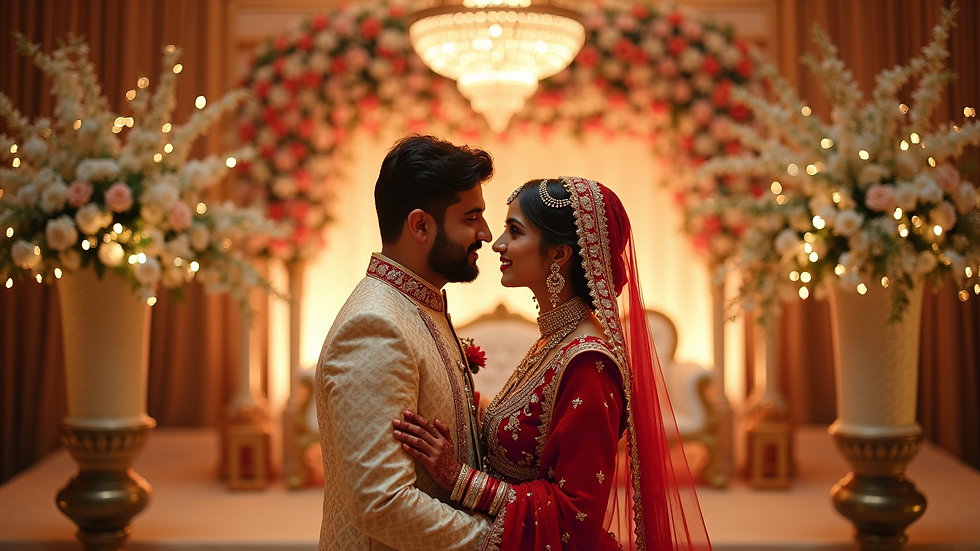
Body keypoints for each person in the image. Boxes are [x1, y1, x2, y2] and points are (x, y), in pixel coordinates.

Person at [394, 176, 712, 550]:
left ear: (559, 254)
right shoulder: (554, 339)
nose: (497, 245)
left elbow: (573, 517)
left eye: (514, 231)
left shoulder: (588, 364)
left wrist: (458, 477)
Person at [314, 134, 496, 550]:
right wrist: (499, 541)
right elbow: (383, 503)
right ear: (420, 225)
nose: (486, 233)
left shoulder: (416, 304)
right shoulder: (376, 326)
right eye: (471, 217)